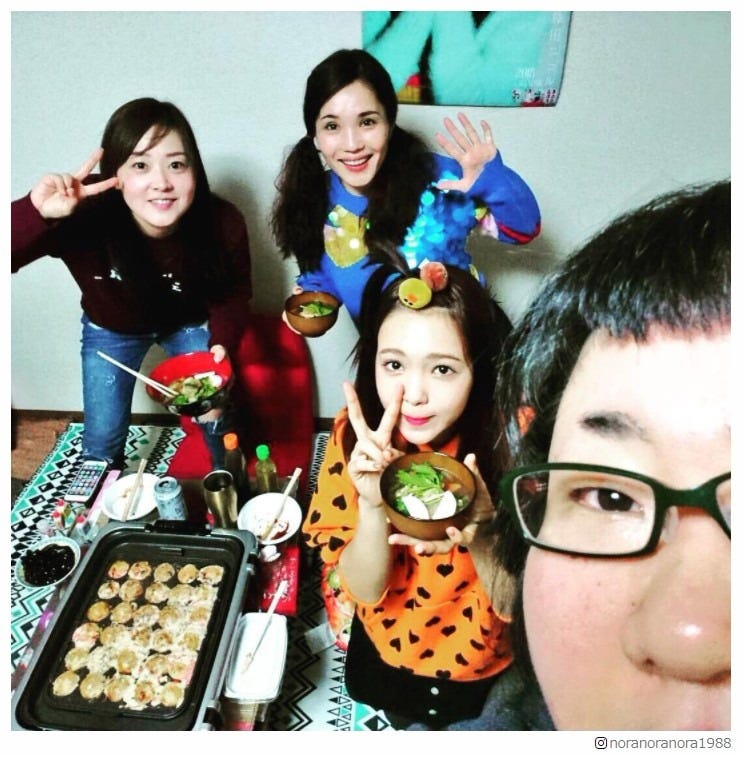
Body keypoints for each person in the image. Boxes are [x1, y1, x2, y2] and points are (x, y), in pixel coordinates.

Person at [416, 180, 731, 730]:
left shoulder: (488, 457)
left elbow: (504, 602)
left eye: (442, 368)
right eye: (610, 498)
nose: (689, 637)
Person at [302, 263, 513, 729]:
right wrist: (371, 504)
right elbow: (364, 590)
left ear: (479, 371)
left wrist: (482, 532)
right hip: (387, 647)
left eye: (443, 369)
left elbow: (516, 604)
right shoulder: (352, 440)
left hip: (478, 658)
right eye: (394, 365)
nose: (413, 394)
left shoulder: (508, 443)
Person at [12, 97, 252, 471]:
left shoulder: (222, 220)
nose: (162, 183)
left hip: (185, 321)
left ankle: (230, 482)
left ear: (195, 170)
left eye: (176, 164)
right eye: (140, 165)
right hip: (111, 329)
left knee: (215, 409)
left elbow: (233, 293)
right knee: (102, 443)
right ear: (116, 174)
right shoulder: (81, 212)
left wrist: (222, 341)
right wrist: (36, 211)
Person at [271, 48, 540, 328]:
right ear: (315, 136)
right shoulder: (312, 195)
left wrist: (493, 181)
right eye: (331, 126)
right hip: (385, 353)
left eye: (367, 122)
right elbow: (325, 271)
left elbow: (524, 229)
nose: (352, 144)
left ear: (389, 123)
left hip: (469, 344)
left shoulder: (440, 180)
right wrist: (314, 298)